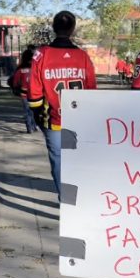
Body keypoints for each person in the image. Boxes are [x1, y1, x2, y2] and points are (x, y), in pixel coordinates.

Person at [27, 11, 96, 197]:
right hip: (77, 120)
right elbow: (91, 89)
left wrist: (36, 115)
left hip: (53, 120)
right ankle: (78, 199)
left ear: (53, 28)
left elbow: (34, 91)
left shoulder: (41, 55)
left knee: (59, 161)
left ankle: (66, 200)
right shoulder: (83, 57)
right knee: (75, 161)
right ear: (72, 30)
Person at [8, 48, 36, 133]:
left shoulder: (20, 70)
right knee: (34, 111)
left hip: (24, 93)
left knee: (27, 111)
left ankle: (29, 127)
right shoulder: (35, 69)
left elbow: (15, 81)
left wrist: (16, 88)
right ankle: (33, 126)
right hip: (35, 93)